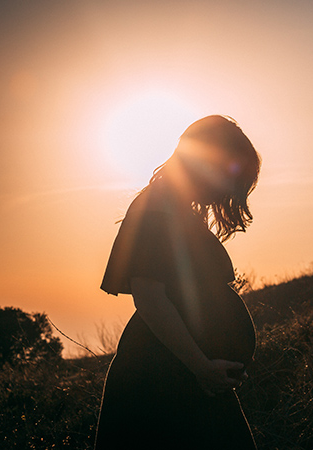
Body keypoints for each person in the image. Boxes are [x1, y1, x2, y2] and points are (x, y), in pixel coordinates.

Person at [95, 115, 261, 449]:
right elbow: (150, 297)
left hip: (186, 374)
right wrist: (201, 366)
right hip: (161, 379)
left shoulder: (177, 209)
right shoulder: (158, 207)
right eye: (231, 172)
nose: (231, 186)